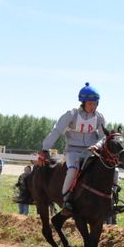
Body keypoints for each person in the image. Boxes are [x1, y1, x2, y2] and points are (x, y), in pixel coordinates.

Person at [40, 82, 107, 214]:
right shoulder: (71, 114)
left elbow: (104, 137)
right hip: (73, 151)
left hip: (91, 151)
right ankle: (66, 200)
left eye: (95, 103)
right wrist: (45, 148)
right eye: (90, 104)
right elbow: (57, 130)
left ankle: (111, 199)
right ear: (83, 102)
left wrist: (97, 145)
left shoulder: (99, 118)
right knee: (73, 169)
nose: (93, 106)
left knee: (111, 170)